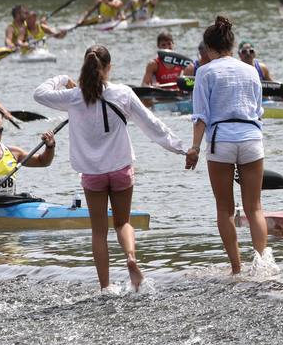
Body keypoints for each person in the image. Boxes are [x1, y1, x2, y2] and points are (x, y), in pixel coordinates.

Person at [34, 47, 187, 292]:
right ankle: (131, 259)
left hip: (92, 173)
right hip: (120, 169)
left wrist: (63, 78)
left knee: (98, 232)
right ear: (109, 68)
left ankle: (105, 287)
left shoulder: (73, 96)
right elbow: (151, 124)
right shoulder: (123, 93)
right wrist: (181, 149)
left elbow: (39, 94)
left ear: (84, 68)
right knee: (123, 222)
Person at [185, 16, 269, 276]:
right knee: (254, 207)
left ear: (208, 48)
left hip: (221, 139)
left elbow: (201, 116)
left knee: (225, 209)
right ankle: (262, 264)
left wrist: (195, 149)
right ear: (232, 45)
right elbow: (258, 110)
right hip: (251, 138)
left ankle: (236, 268)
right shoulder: (250, 69)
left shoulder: (205, 71)